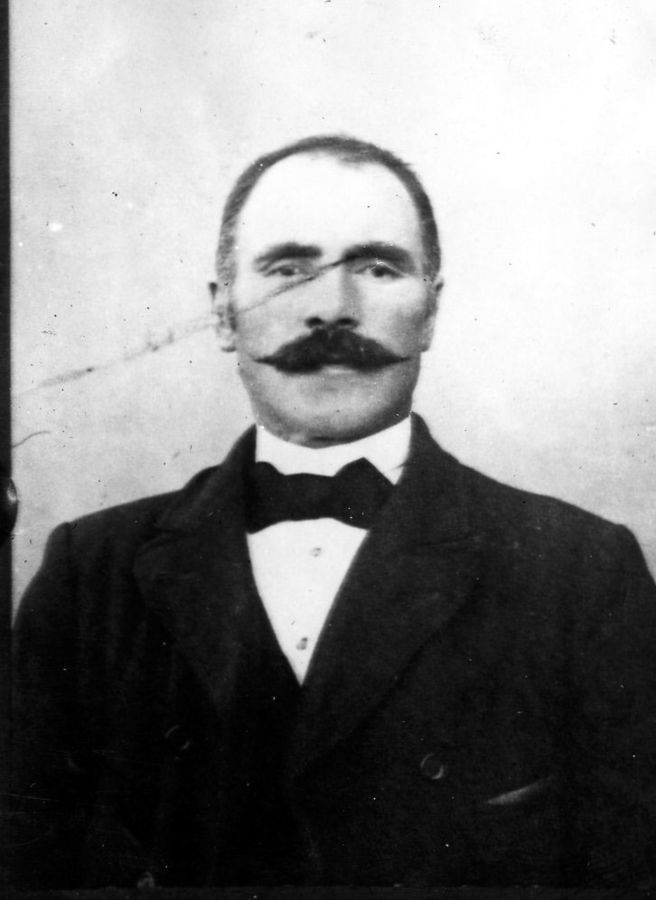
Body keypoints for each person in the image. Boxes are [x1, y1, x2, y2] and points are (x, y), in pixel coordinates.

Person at [9, 135, 656, 889]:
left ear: (430, 311)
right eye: (288, 269)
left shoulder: (581, 574)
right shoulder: (88, 575)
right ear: (222, 313)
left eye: (377, 268)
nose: (331, 309)